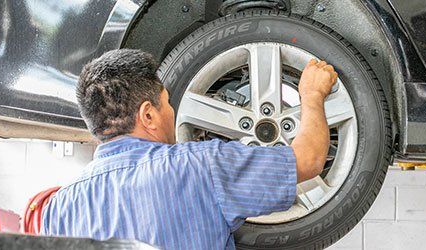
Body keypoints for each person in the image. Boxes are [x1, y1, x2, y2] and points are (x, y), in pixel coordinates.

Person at [41, 49, 338, 249]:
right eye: (168, 103)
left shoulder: (57, 210)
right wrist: (312, 95)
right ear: (148, 115)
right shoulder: (200, 166)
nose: (172, 113)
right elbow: (308, 160)